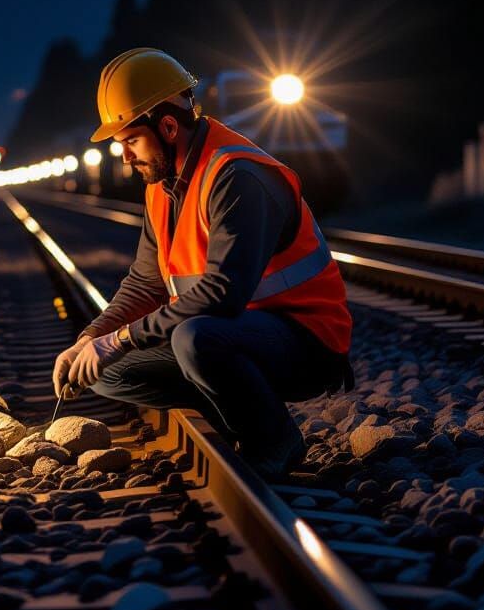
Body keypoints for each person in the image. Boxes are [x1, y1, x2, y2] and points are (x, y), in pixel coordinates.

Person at [52, 48, 353, 478]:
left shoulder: (237, 177)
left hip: (303, 342)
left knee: (193, 339)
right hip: (228, 336)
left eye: (130, 141)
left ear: (168, 126)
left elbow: (221, 295)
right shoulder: (162, 183)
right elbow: (144, 283)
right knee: (101, 373)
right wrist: (92, 337)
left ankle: (275, 440)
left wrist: (121, 339)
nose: (124, 157)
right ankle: (231, 416)